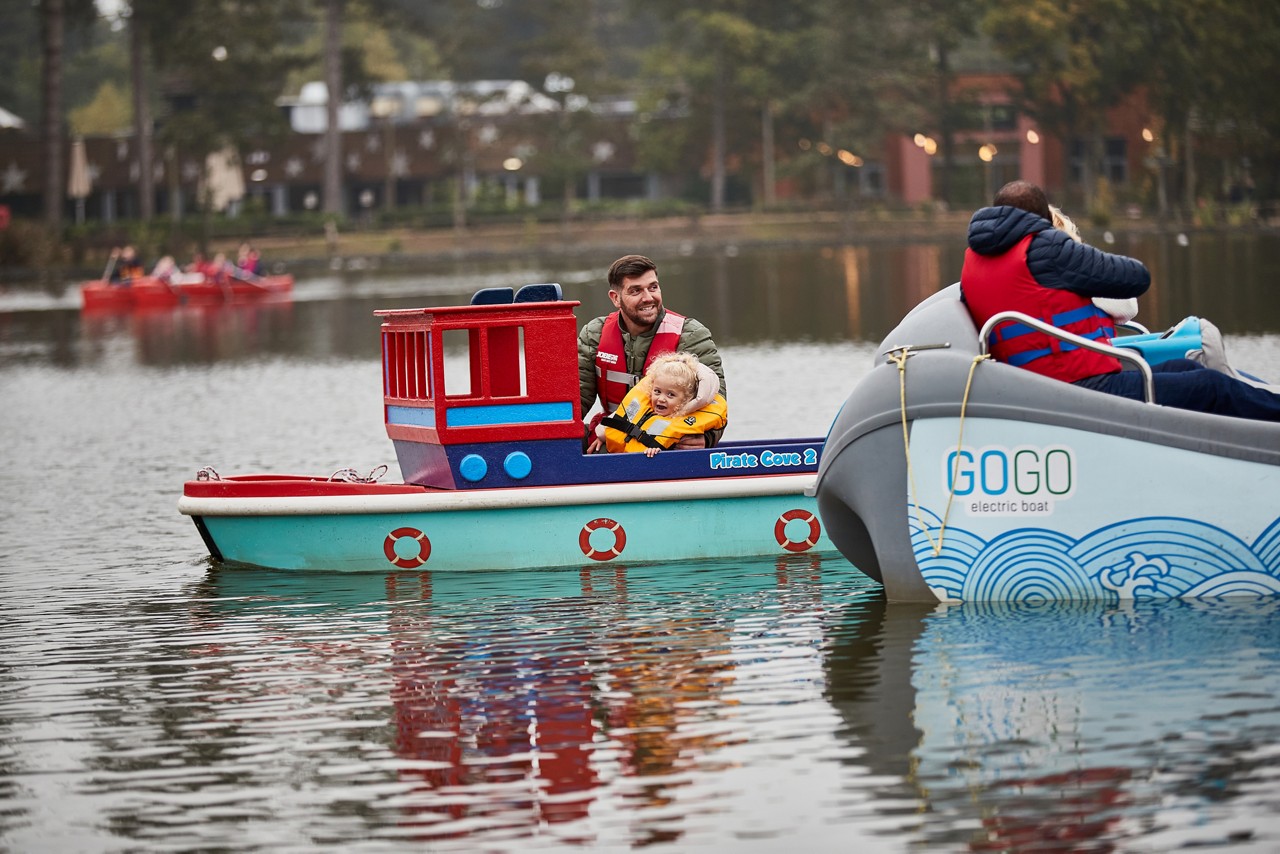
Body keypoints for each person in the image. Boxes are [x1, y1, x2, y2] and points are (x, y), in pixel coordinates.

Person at [962, 180, 1280, 421]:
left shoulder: (975, 262)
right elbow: (1134, 277)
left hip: (1038, 387)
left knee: (1184, 367)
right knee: (1212, 386)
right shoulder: (1045, 246)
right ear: (1045, 218)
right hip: (1082, 388)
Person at [578, 254, 727, 448]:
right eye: (636, 291)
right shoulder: (594, 334)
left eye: (653, 287)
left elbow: (716, 400)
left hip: (669, 444)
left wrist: (707, 439)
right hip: (610, 435)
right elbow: (575, 404)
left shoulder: (691, 334)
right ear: (616, 298)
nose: (648, 298)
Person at [589, 352, 728, 456]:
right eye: (657, 391)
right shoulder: (646, 406)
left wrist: (657, 451)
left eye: (671, 395)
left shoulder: (683, 428)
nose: (661, 399)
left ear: (686, 400)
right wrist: (603, 432)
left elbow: (670, 447)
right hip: (620, 456)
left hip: (647, 462)